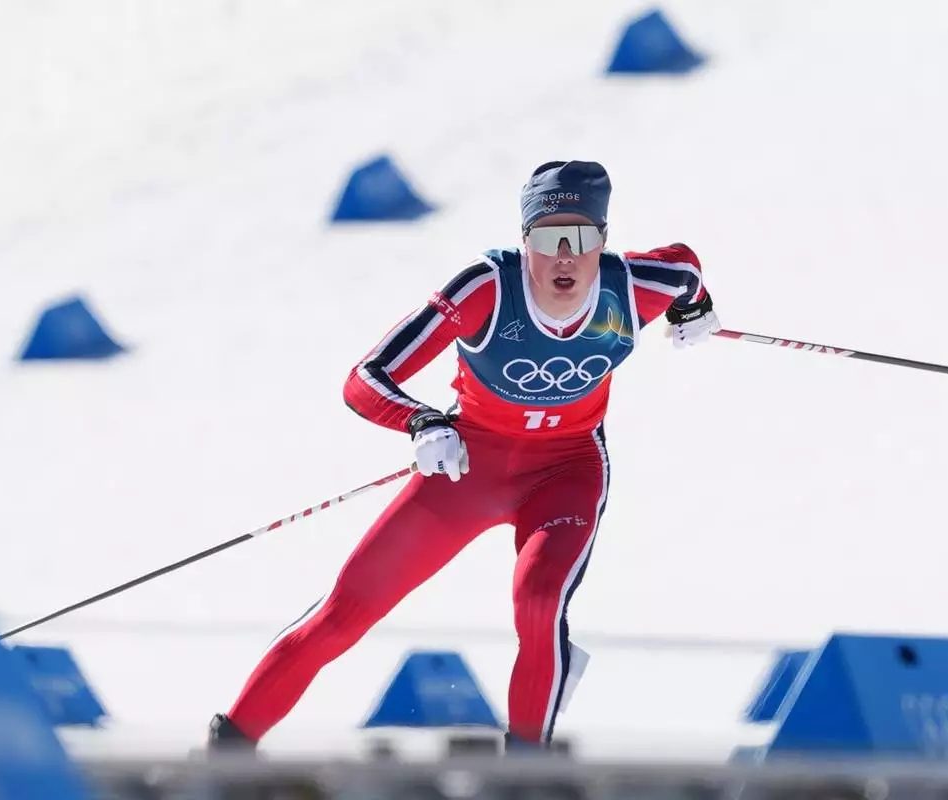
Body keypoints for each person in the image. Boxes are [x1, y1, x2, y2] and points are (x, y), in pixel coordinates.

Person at [207, 160, 721, 753]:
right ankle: (225, 757)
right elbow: (365, 377)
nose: (564, 257)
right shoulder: (486, 289)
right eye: (548, 238)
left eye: (581, 238)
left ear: (603, 241)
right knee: (347, 610)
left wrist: (695, 311)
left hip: (566, 471)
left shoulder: (637, 287)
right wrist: (421, 420)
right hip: (469, 468)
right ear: (524, 241)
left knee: (540, 603)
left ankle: (525, 776)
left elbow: (687, 270)